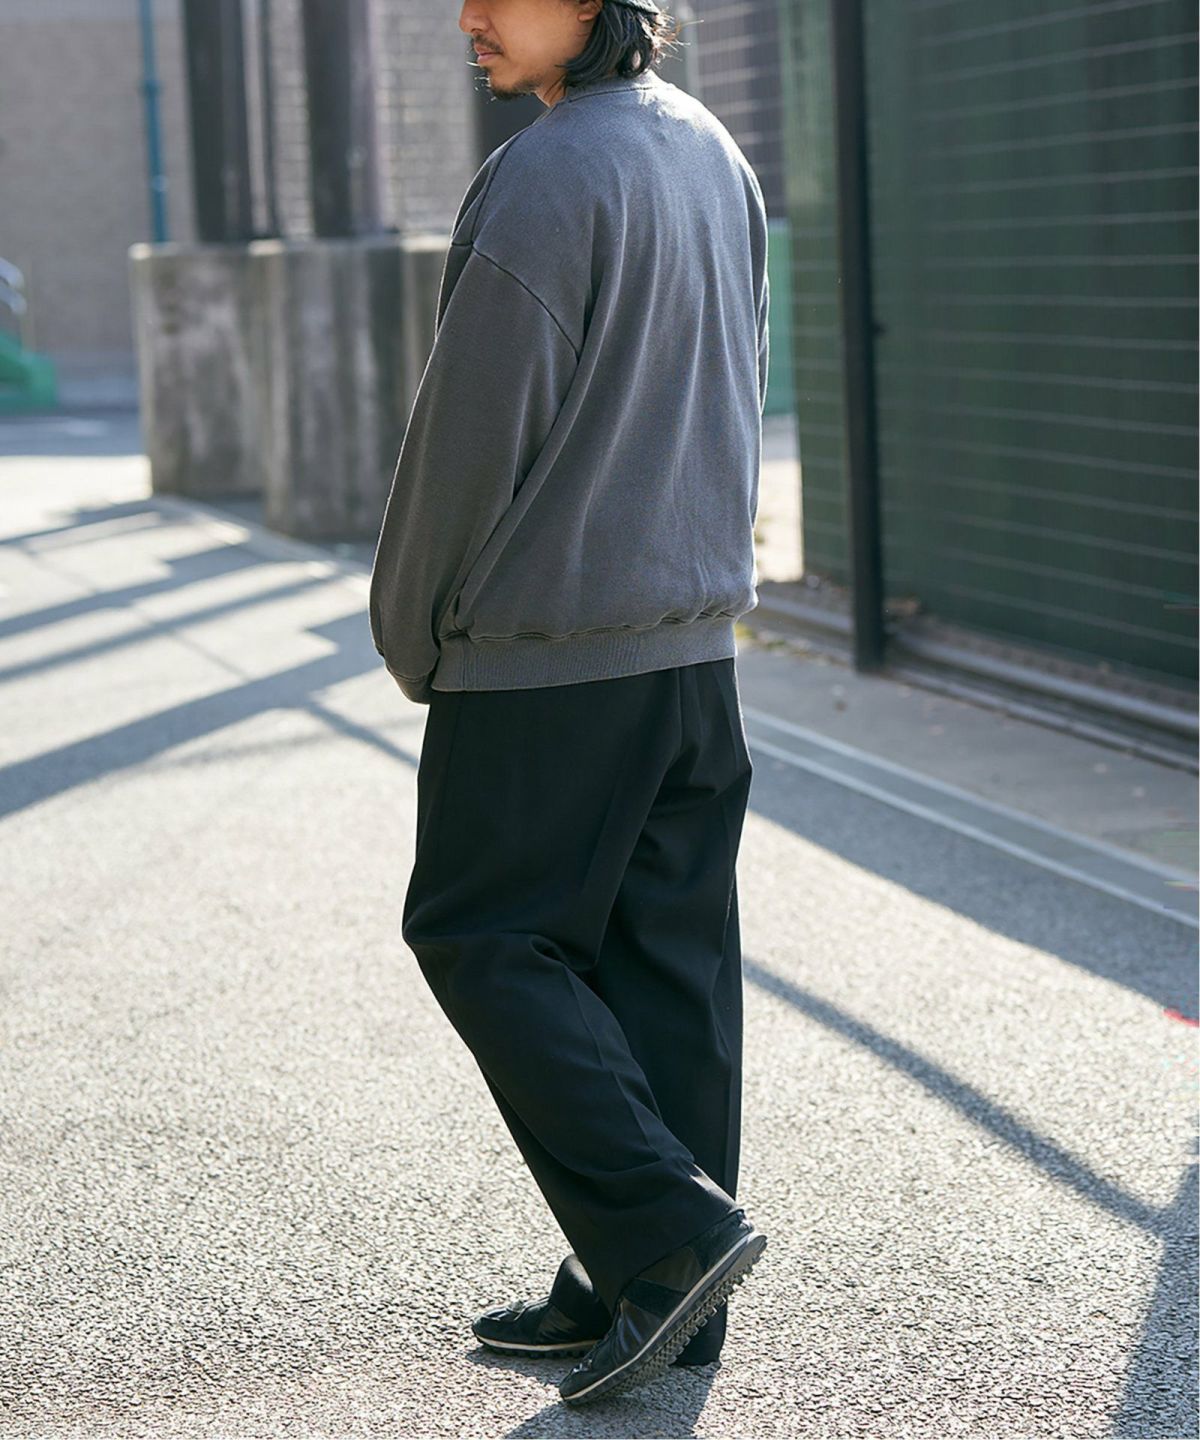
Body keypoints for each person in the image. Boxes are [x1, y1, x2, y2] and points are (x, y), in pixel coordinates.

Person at [368, 0, 769, 1405]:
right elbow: (735, 386)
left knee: (482, 932)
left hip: (550, 648)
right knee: (663, 963)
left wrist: (411, 627)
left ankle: (669, 1232)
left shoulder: (546, 176)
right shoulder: (709, 149)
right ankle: (651, 1292)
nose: (472, 16)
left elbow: (467, 445)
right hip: (692, 650)